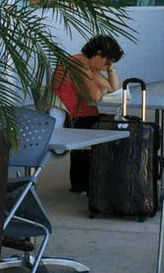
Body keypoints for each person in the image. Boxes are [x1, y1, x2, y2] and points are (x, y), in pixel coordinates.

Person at [46, 35, 124, 194]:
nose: (105, 67)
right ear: (98, 53)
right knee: (113, 126)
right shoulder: (79, 63)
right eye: (106, 62)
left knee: (112, 122)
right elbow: (95, 95)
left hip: (77, 114)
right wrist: (100, 90)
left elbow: (113, 88)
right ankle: (93, 182)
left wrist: (110, 69)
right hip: (69, 118)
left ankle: (85, 182)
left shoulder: (88, 65)